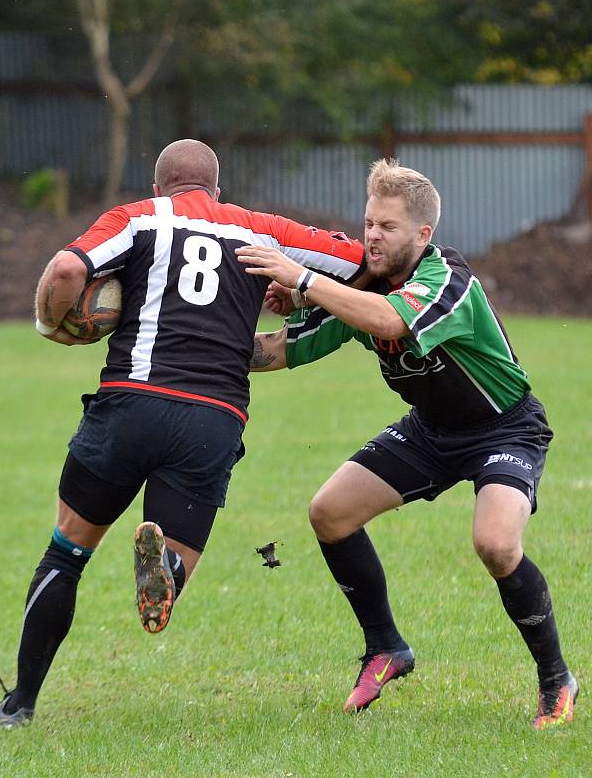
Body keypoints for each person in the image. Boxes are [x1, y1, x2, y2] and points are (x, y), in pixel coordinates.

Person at [0, 139, 366, 728]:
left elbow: (69, 269)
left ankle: (18, 705)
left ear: (159, 188)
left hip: (131, 404)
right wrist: (298, 295)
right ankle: (167, 574)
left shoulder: (137, 218)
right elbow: (361, 265)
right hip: (213, 418)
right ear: (217, 192)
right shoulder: (262, 228)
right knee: (176, 569)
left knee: (67, 550)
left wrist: (51, 323)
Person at [237, 158, 578, 729]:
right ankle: (386, 647)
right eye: (369, 222)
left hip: (504, 427)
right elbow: (281, 350)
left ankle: (555, 679)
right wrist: (195, 347)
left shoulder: (450, 280)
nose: (372, 235)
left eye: (387, 227)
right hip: (429, 430)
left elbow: (391, 322)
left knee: (495, 545)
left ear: (424, 234)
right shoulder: (360, 289)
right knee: (330, 513)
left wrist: (303, 280)